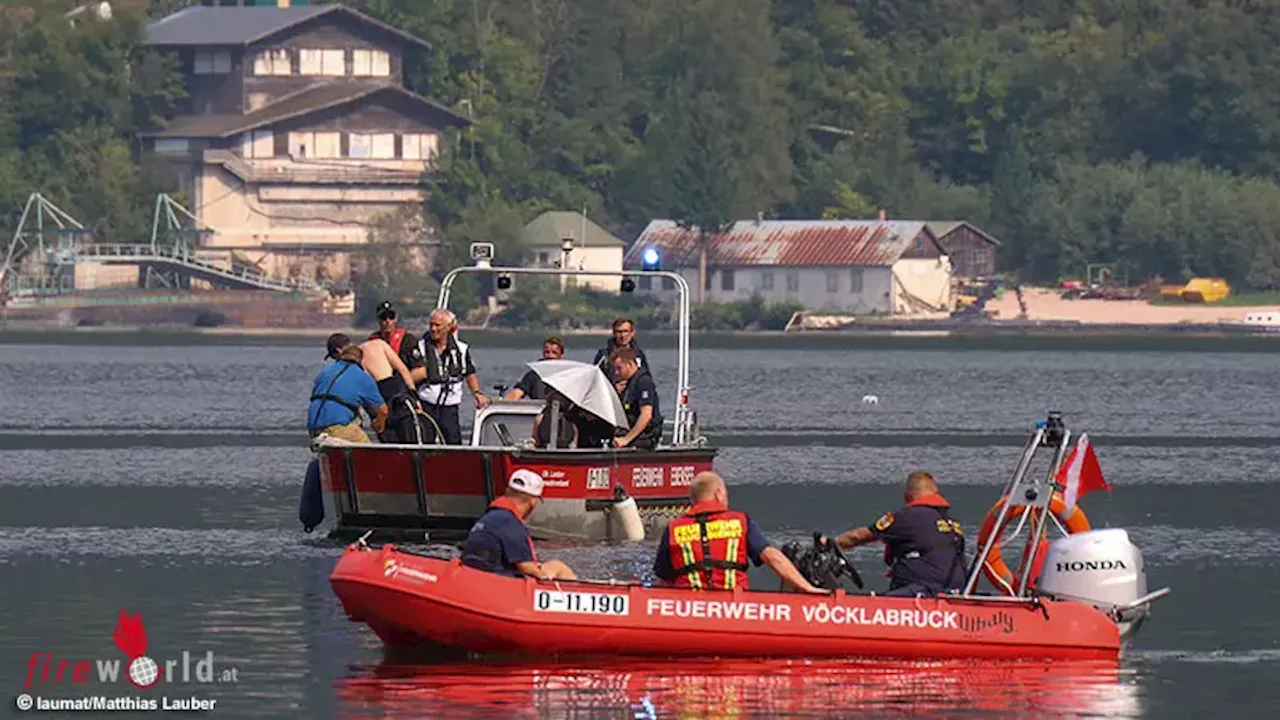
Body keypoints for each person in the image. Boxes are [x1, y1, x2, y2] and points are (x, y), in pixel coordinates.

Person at [652, 471, 825, 593]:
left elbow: (664, 580)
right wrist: (807, 587)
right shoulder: (740, 522)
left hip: (689, 610)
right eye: (726, 494)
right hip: (734, 608)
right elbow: (772, 557)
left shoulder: (674, 528)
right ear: (719, 494)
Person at [823, 471, 967, 597]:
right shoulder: (953, 522)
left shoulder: (908, 516)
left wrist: (829, 543)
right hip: (953, 592)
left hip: (922, 592)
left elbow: (857, 537)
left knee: (875, 606)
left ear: (907, 496)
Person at [461, 469, 577, 580]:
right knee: (558, 566)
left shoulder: (489, 517)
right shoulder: (511, 523)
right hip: (498, 580)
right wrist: (543, 576)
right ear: (533, 501)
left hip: (474, 574)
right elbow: (526, 567)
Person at [410, 309, 489, 444]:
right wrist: (425, 373)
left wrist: (477, 393)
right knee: (425, 442)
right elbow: (408, 376)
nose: (433, 329)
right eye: (431, 325)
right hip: (426, 404)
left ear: (449, 327)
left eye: (438, 325)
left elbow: (469, 373)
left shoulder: (461, 349)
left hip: (449, 406)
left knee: (453, 442)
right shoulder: (419, 348)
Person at [307, 334, 388, 443]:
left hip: (313, 427)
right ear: (361, 360)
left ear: (341, 355)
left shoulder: (325, 372)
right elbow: (383, 410)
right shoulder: (363, 378)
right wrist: (380, 424)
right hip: (337, 428)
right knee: (368, 451)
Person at [357, 336, 422, 444]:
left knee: (388, 442)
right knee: (412, 439)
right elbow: (402, 369)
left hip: (374, 398)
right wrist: (414, 396)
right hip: (392, 390)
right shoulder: (378, 344)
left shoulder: (351, 360)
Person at [611, 347, 662, 449]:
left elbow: (646, 414)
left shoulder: (643, 382)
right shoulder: (628, 384)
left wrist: (626, 439)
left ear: (630, 364)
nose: (616, 373)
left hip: (644, 438)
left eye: (619, 368)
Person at [368, 301, 423, 372]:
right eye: (383, 317)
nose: (387, 321)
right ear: (378, 320)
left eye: (391, 317)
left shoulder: (407, 340)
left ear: (396, 319)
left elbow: (420, 371)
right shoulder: (373, 342)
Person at [592, 317, 649, 387]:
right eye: (619, 332)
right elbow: (595, 380)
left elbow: (646, 377)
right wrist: (613, 387)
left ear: (632, 333)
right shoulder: (604, 355)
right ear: (614, 333)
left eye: (626, 331)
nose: (623, 336)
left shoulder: (638, 354)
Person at [503, 336, 564, 401]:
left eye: (554, 352)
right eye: (547, 352)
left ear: (561, 355)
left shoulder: (568, 374)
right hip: (539, 409)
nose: (550, 356)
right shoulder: (534, 375)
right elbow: (516, 394)